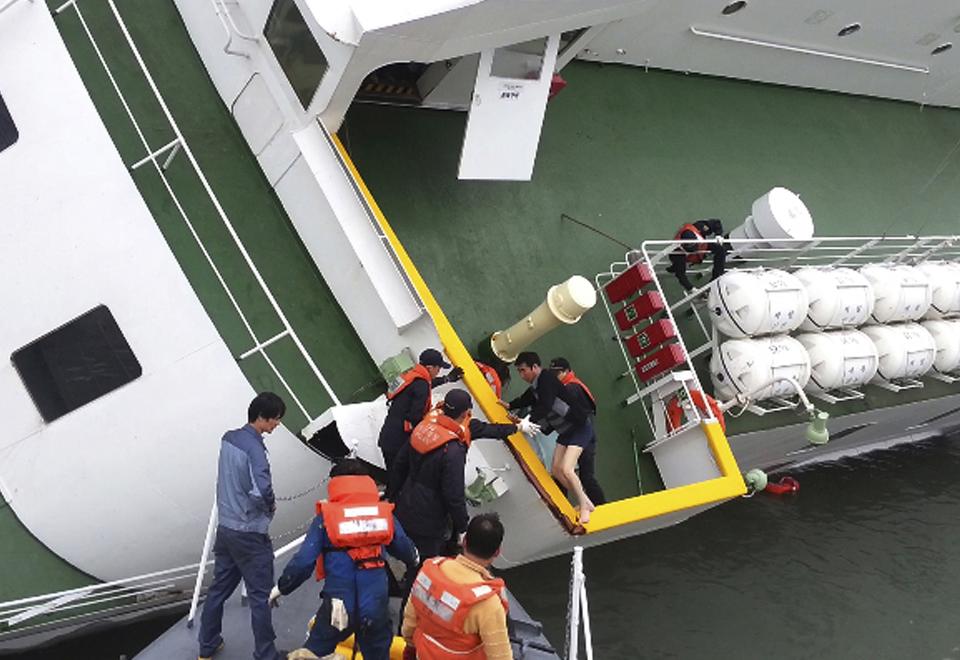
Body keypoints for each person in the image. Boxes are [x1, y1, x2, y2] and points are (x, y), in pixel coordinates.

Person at [269, 459, 419, 660]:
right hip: (375, 603)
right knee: (377, 651)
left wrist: (281, 588)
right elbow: (406, 550)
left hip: (338, 605)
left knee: (312, 652)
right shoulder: (382, 514)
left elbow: (304, 562)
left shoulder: (326, 519)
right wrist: (415, 559)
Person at [390, 389, 536, 560]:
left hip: (406, 500)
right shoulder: (452, 450)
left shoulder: (425, 426)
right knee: (425, 560)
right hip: (430, 516)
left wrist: (392, 495)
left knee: (403, 548)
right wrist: (462, 527)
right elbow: (453, 493)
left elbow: (399, 464)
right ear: (466, 412)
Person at [199, 392, 286, 660]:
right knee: (261, 597)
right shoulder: (255, 448)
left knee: (218, 590)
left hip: (226, 529)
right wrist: (270, 506)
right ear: (263, 418)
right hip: (249, 533)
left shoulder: (228, 439)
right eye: (276, 420)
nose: (277, 425)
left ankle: (207, 646)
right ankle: (266, 654)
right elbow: (261, 490)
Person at [500, 352, 596, 524]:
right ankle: (586, 501)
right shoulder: (537, 384)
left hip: (579, 429)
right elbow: (528, 398)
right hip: (566, 432)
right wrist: (509, 405)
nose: (522, 375)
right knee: (557, 471)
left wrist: (527, 421)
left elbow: (546, 404)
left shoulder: (546, 379)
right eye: (519, 372)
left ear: (535, 367)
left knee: (567, 469)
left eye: (523, 371)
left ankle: (584, 506)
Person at [401, 513, 512, 660]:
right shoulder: (488, 604)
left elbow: (410, 620)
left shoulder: (429, 570)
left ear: (464, 541)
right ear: (497, 552)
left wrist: (410, 645)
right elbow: (500, 657)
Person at [379, 348, 463, 474]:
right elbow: (415, 416)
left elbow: (425, 385)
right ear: (430, 368)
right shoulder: (421, 386)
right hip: (398, 442)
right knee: (397, 476)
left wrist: (447, 379)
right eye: (438, 368)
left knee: (393, 473)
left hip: (388, 435)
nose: (439, 371)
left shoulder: (411, 375)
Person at [548, 358, 606, 506]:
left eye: (557, 373)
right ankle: (567, 501)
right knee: (565, 470)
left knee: (579, 474)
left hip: (583, 436)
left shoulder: (571, 389)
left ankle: (599, 505)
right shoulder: (573, 385)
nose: (554, 377)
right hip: (579, 433)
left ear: (566, 372)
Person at [667, 218, 729, 292]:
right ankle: (673, 268)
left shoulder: (700, 227)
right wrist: (692, 289)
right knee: (679, 267)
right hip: (684, 257)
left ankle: (716, 277)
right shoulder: (677, 253)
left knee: (721, 250)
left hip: (703, 246)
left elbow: (716, 223)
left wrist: (718, 235)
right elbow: (681, 275)